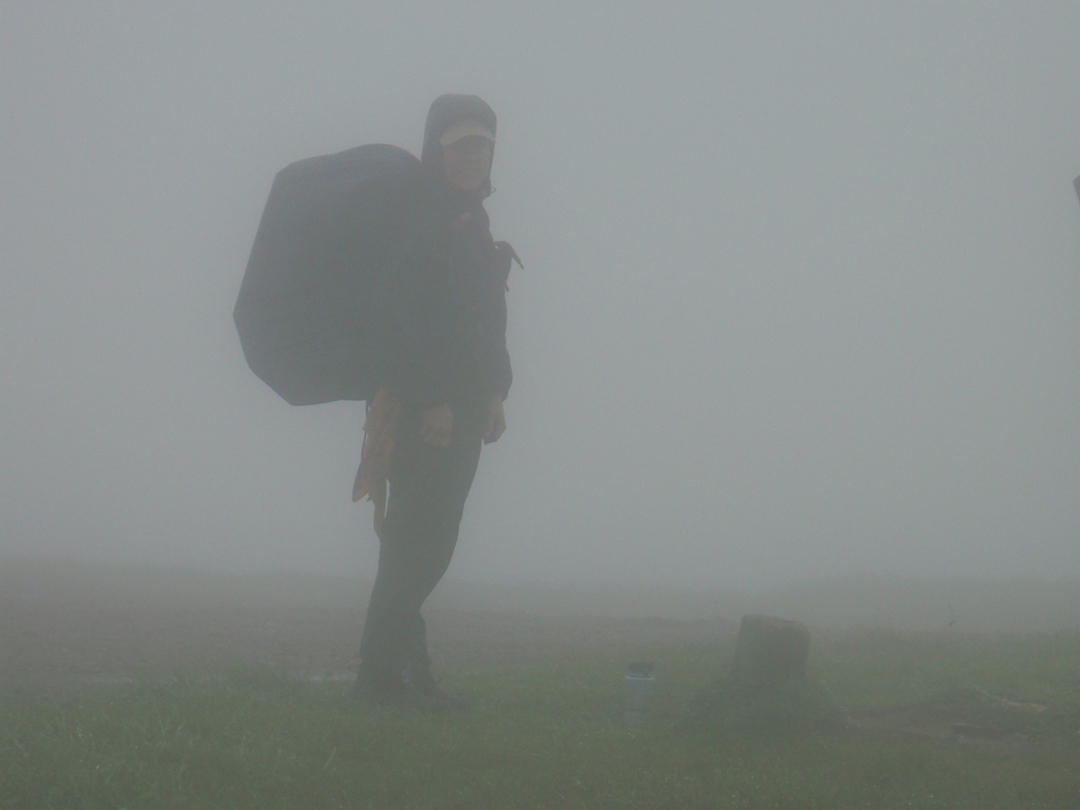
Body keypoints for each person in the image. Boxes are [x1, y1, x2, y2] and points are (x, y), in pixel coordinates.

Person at [351, 94, 516, 710]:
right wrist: (433, 400)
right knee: (418, 547)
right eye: (460, 146)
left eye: (482, 145)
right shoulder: (420, 219)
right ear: (436, 151)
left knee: (426, 545)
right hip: (428, 415)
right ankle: (380, 678)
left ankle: (404, 673)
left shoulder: (472, 221)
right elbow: (394, 321)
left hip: (466, 408)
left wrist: (496, 390)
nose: (472, 156)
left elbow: (486, 317)